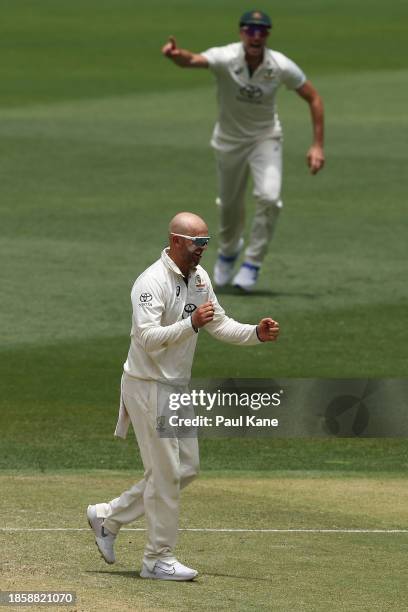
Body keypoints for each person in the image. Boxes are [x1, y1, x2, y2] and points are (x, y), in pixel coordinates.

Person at [87, 211, 279, 581]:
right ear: (175, 241)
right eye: (197, 243)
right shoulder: (150, 283)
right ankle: (157, 558)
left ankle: (108, 517)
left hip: (175, 387)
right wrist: (190, 324)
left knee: (185, 469)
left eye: (207, 243)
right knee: (166, 472)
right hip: (146, 385)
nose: (203, 250)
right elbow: (147, 338)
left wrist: (256, 332)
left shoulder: (200, 278)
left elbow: (219, 322)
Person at [162, 10, 325, 291]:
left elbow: (313, 97)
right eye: (250, 30)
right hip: (229, 141)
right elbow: (194, 60)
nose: (256, 35)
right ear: (241, 32)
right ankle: (227, 251)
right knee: (229, 206)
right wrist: (176, 55)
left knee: (270, 198)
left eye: (262, 30)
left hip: (265, 138)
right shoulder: (226, 57)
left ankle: (252, 262)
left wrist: (317, 145)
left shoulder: (279, 65)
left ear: (268, 34)